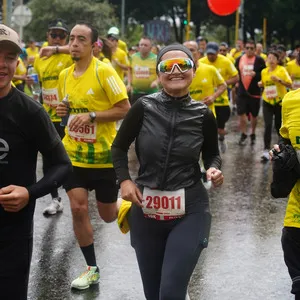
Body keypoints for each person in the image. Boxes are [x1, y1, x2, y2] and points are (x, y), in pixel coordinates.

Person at [112, 44, 224, 300]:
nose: (175, 71)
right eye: (167, 67)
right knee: (153, 294)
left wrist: (214, 169)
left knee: (171, 292)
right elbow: (118, 147)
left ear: (193, 71)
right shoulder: (143, 107)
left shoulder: (203, 114)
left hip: (190, 210)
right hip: (146, 209)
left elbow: (211, 154)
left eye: (183, 65)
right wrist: (125, 182)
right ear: (158, 73)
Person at [56, 21, 130, 290]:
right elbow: (69, 107)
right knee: (77, 208)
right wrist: (64, 111)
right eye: (72, 39)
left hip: (103, 158)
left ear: (93, 45)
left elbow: (124, 108)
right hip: (73, 155)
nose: (74, 44)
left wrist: (94, 115)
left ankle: (123, 205)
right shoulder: (65, 75)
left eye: (81, 40)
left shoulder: (104, 71)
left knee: (108, 216)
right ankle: (92, 268)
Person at [0, 24, 72, 299]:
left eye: (9, 57)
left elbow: (62, 165)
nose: (2, 64)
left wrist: (29, 193)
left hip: (12, 232)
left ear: (18, 62)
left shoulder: (30, 112)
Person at [33, 18, 74, 215]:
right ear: (47, 36)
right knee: (49, 160)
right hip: (47, 115)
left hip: (68, 116)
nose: (57, 38)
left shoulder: (68, 56)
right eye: (53, 35)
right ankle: (56, 199)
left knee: (70, 157)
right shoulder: (39, 59)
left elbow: (84, 50)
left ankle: (76, 194)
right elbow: (39, 86)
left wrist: (57, 50)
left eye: (61, 35)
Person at [270, 87, 300, 300]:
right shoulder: (291, 100)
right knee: (290, 241)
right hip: (297, 212)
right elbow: (286, 142)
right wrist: (281, 155)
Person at [200, 42, 239, 152]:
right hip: (207, 102)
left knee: (220, 129)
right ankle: (210, 151)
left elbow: (236, 78)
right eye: (208, 54)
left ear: (217, 52)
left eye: (213, 54)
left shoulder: (226, 62)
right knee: (208, 129)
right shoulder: (201, 62)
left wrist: (221, 83)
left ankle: (221, 138)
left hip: (222, 101)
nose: (210, 56)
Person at [258, 50, 292, 160]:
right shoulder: (264, 71)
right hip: (267, 101)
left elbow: (290, 84)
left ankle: (282, 149)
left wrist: (279, 80)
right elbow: (264, 83)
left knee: (279, 126)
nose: (271, 60)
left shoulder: (282, 70)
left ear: (278, 60)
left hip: (279, 102)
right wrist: (261, 84)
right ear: (266, 60)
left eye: (273, 58)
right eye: (269, 58)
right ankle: (265, 150)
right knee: (267, 125)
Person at [184, 40, 227, 118]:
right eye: (185, 50)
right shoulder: (177, 73)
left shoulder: (210, 69)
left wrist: (213, 97)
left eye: (191, 50)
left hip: (207, 116)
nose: (188, 53)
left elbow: (223, 85)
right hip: (187, 117)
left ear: (198, 53)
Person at [235, 40, 266, 146]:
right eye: (247, 48)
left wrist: (256, 74)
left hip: (255, 92)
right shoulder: (239, 59)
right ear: (244, 48)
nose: (249, 50)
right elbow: (235, 72)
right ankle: (243, 133)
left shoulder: (260, 60)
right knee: (241, 113)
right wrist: (236, 83)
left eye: (251, 48)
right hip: (242, 92)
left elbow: (264, 74)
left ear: (255, 49)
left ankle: (252, 133)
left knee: (254, 115)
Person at [127, 36, 159, 105]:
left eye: (145, 45)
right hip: (136, 92)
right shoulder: (133, 57)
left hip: (151, 93)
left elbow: (161, 74)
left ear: (150, 47)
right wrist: (129, 84)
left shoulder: (155, 58)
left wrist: (156, 81)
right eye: (141, 45)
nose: (143, 47)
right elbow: (129, 70)